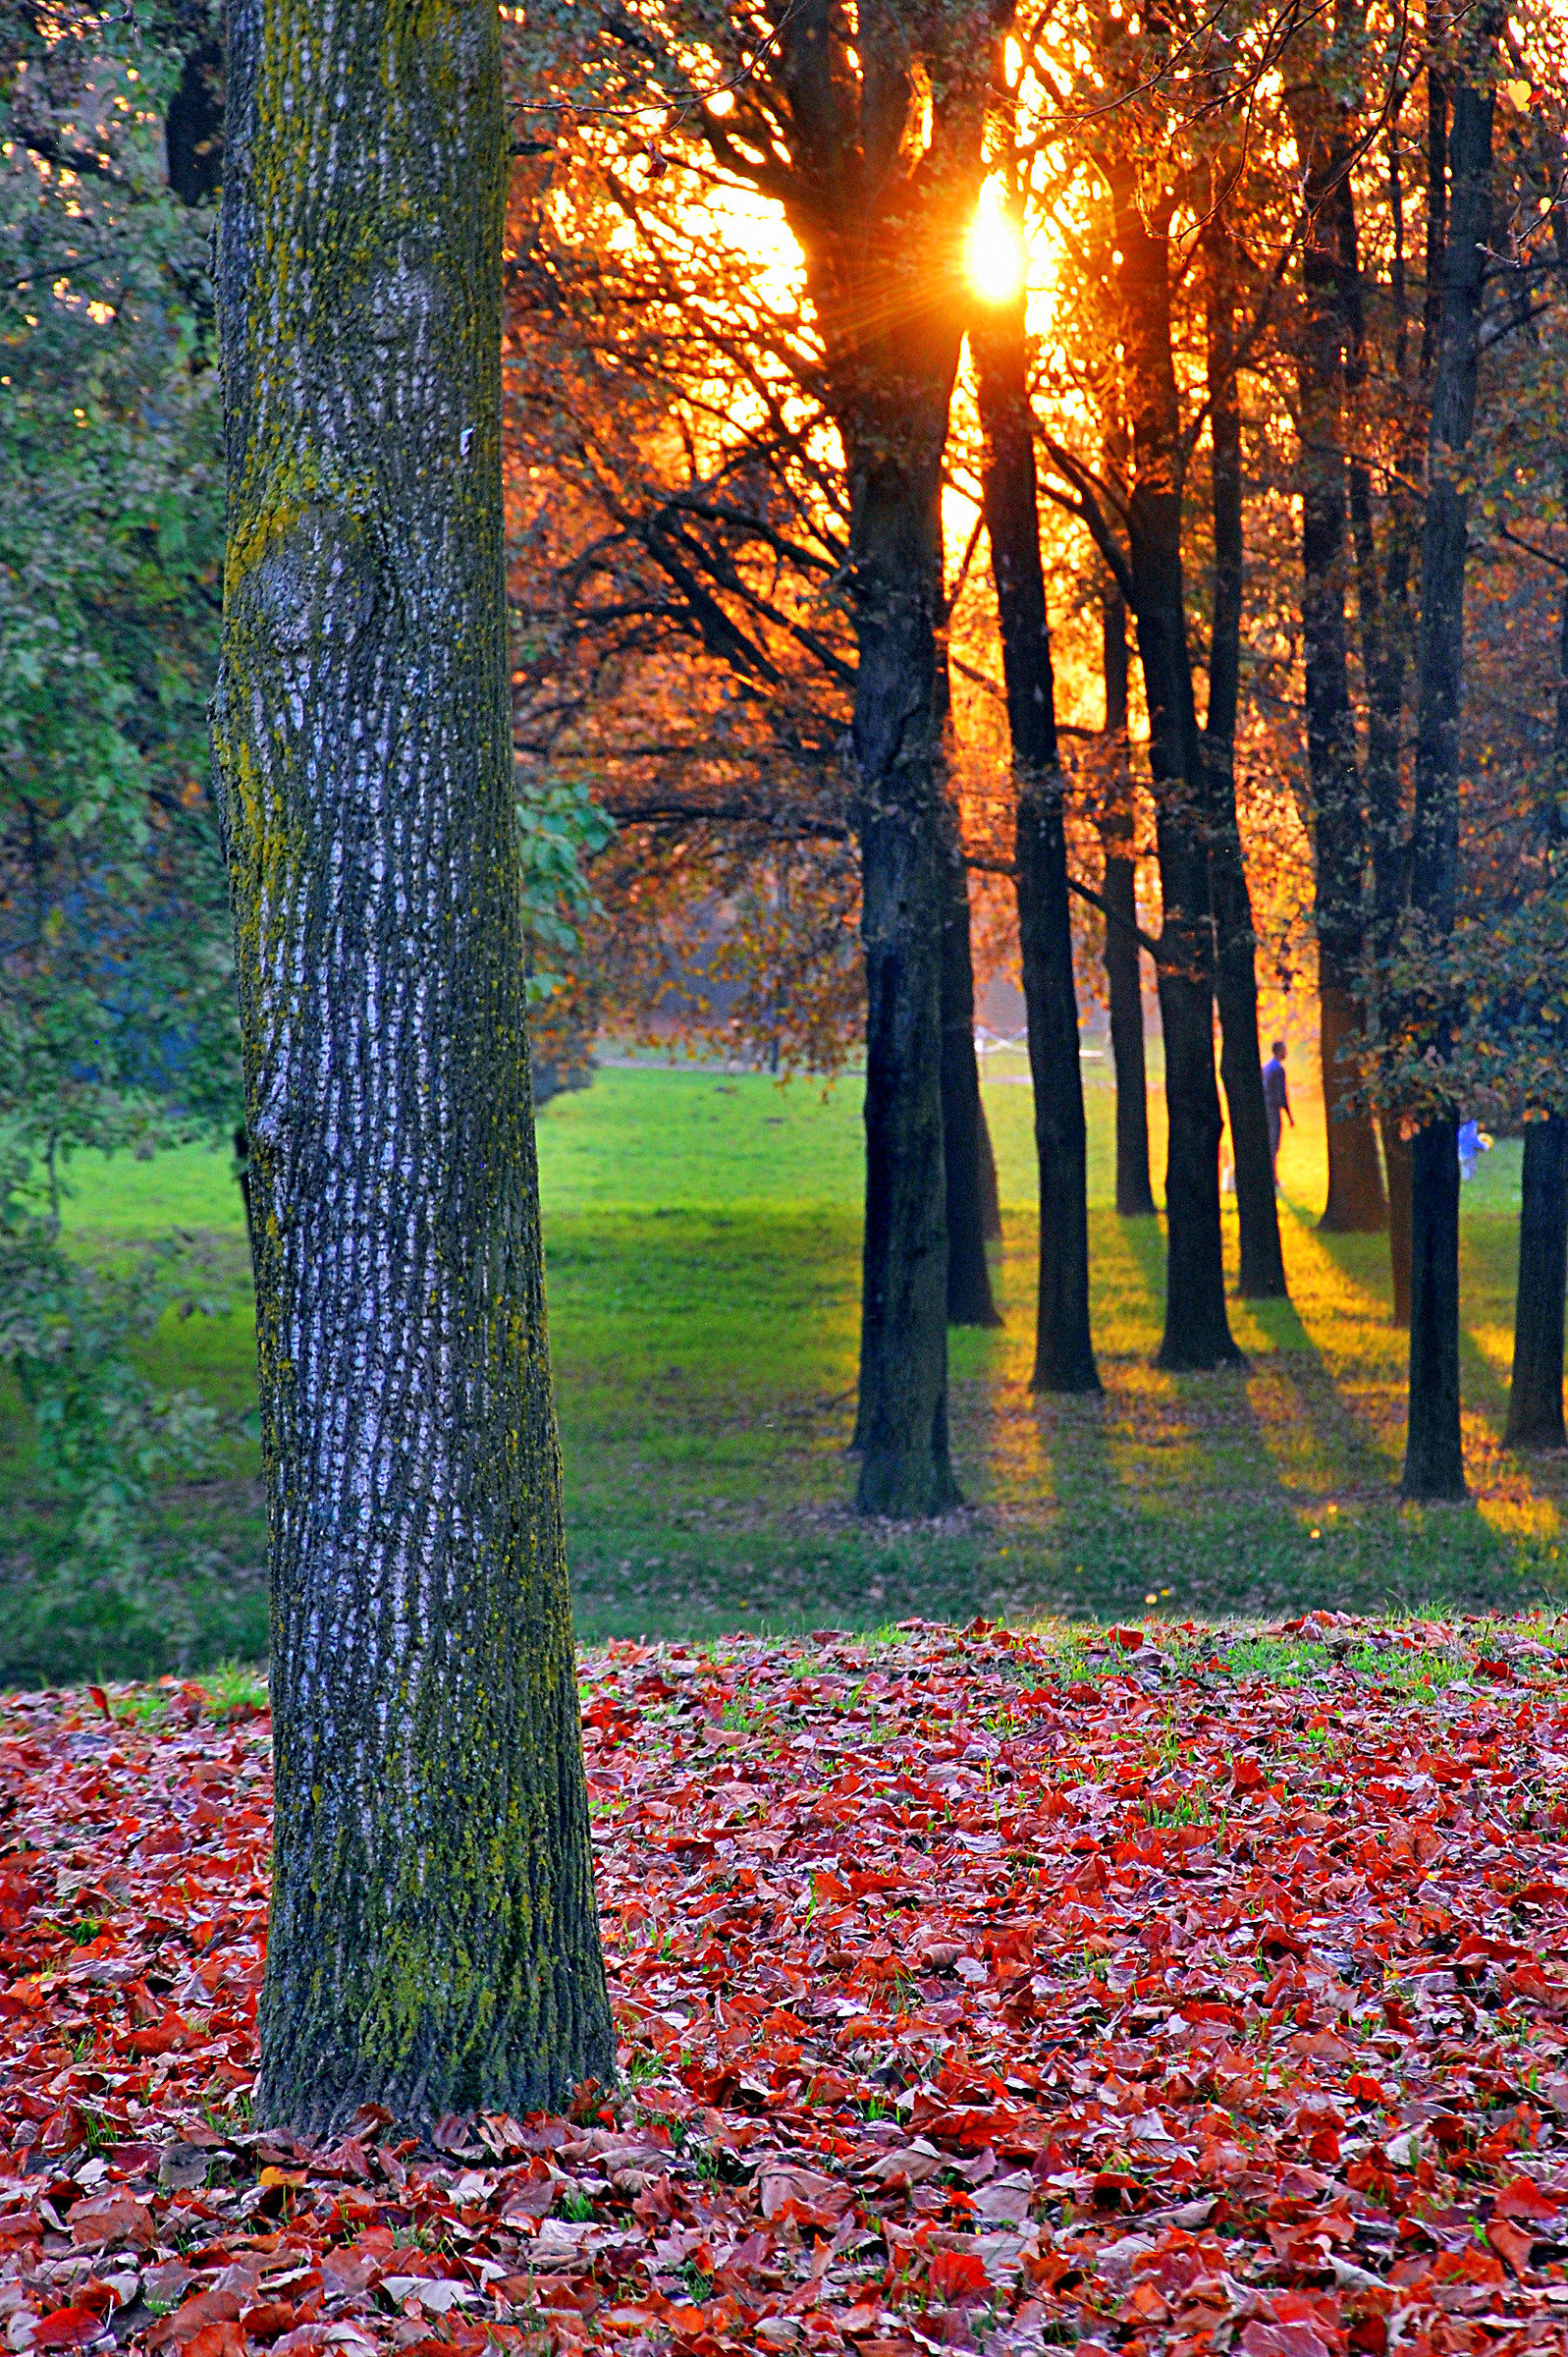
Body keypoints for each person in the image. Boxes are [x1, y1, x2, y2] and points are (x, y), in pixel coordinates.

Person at [1262, 1040, 1293, 1185]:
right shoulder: (1278, 1069)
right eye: (1284, 1049)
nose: (1286, 1052)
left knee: (1269, 1142)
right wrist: (1289, 1115)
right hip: (1273, 1110)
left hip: (1266, 1108)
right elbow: (1282, 1094)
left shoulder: (1266, 1067)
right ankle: (1272, 1178)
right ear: (1279, 1051)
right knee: (1274, 1144)